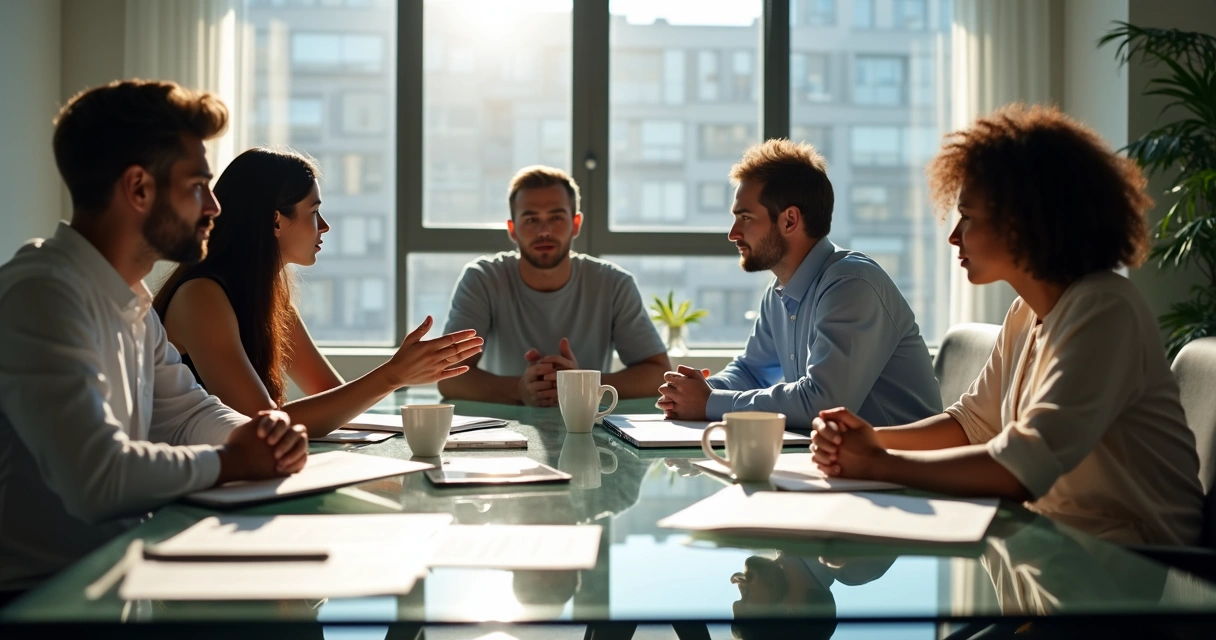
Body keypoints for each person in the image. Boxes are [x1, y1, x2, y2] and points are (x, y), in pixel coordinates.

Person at [810, 104, 1205, 546]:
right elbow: (972, 424)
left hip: (1141, 575)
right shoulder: (1025, 311)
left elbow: (1023, 467)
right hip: (1053, 553)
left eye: (969, 217)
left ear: (1026, 220)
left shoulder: (1105, 308)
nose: (954, 235)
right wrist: (873, 439)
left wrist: (877, 463)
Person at [0, 80, 310, 596]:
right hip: (40, 603)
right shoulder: (42, 295)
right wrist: (233, 461)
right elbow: (97, 479)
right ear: (139, 189)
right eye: (197, 186)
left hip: (120, 584)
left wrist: (254, 435)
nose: (214, 206)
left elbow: (185, 412)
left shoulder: (130, 298)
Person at [153, 148, 483, 437]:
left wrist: (397, 374)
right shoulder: (201, 297)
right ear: (276, 221)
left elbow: (328, 392)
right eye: (313, 212)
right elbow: (263, 422)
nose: (324, 226)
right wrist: (392, 375)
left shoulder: (271, 299)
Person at [657, 139, 941, 428]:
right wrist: (692, 391)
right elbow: (752, 371)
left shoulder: (851, 285)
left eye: (745, 218)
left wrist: (708, 402)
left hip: (897, 465)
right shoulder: (779, 291)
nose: (733, 233)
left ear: (790, 220)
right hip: (837, 460)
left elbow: (823, 403)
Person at [438, 165, 670, 406]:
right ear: (512, 230)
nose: (544, 231)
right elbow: (449, 378)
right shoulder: (481, 279)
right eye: (531, 219)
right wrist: (520, 389)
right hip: (502, 431)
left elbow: (657, 374)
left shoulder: (614, 284)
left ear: (576, 224)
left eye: (556, 217)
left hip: (589, 427)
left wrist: (580, 385)